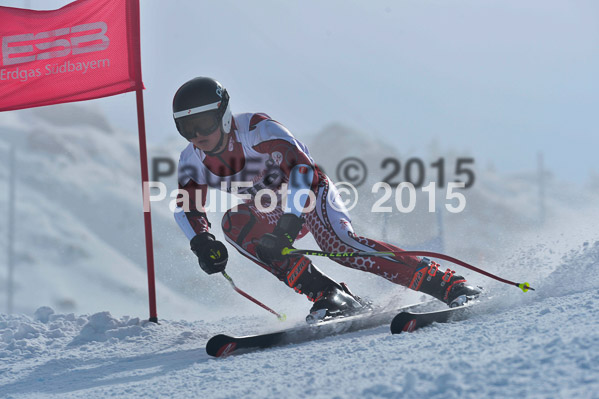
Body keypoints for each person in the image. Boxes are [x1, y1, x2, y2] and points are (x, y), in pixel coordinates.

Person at [172, 77, 480, 320]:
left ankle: (444, 282)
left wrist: (289, 224)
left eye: (205, 123)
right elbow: (186, 207)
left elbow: (302, 172)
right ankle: (330, 295)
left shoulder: (259, 130)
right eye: (187, 128)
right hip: (272, 208)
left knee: (340, 247)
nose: (198, 135)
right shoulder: (191, 160)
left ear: (223, 116)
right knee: (235, 224)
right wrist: (202, 241)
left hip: (309, 194)